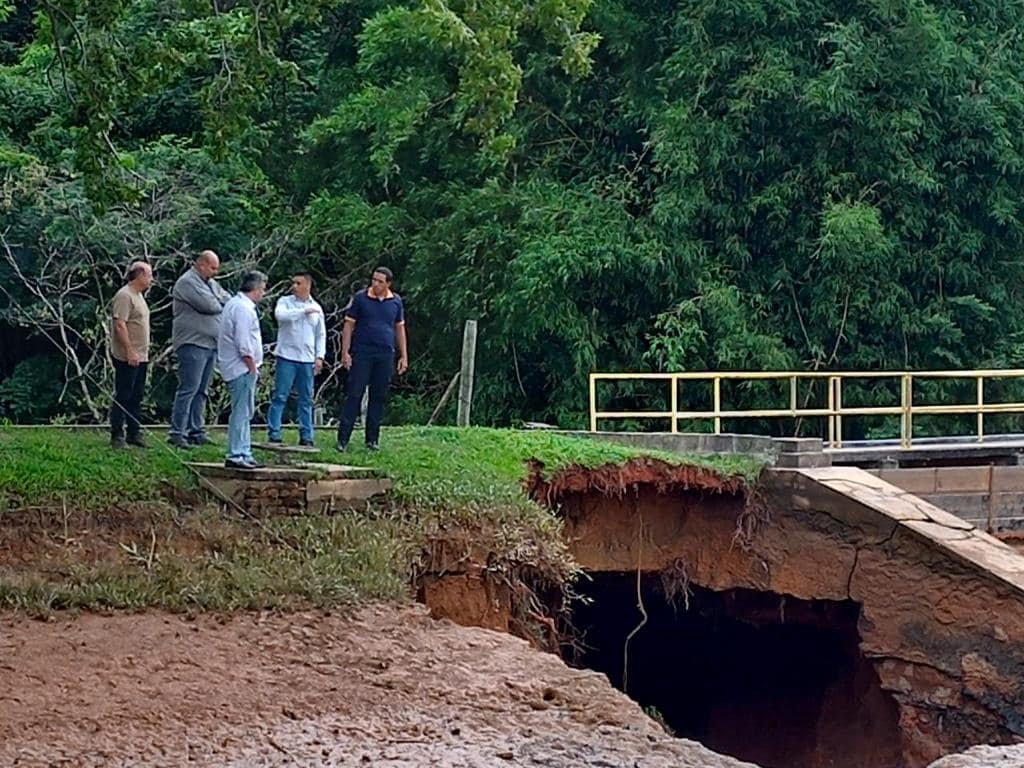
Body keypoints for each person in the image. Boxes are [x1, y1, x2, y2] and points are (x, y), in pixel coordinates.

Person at [336, 267, 408, 452]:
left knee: (379, 396)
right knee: (355, 393)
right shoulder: (361, 298)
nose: (375, 284)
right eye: (373, 280)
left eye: (380, 281)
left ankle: (372, 439)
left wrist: (403, 355)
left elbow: (399, 328)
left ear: (388, 284)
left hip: (385, 353)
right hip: (363, 352)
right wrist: (345, 352)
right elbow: (349, 325)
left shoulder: (396, 301)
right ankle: (343, 438)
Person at [168, 250, 230, 448]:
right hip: (192, 342)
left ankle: (197, 430)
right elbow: (209, 305)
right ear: (201, 264)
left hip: (210, 343)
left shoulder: (210, 283)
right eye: (212, 268)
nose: (215, 272)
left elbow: (227, 299)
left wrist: (218, 298)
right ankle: (178, 432)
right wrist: (218, 300)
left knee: (202, 390)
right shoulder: (188, 282)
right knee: (189, 388)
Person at [267, 273, 326, 447]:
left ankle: (306, 434)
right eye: (293, 282)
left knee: (306, 398)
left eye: (298, 283)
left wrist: (319, 356)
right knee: (280, 395)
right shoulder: (285, 302)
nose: (294, 286)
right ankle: (274, 431)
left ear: (307, 285)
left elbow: (320, 334)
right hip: (287, 356)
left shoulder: (317, 307)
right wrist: (302, 311)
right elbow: (280, 316)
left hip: (306, 359)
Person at [218, 271, 268, 470]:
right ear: (255, 288)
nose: (263, 293)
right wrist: (251, 365)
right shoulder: (243, 309)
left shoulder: (235, 304)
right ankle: (236, 452)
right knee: (241, 410)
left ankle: (244, 451)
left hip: (240, 366)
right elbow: (243, 341)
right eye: (263, 289)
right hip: (241, 367)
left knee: (246, 410)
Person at [109, 261, 154, 449]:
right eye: (150, 275)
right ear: (140, 275)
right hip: (128, 355)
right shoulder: (124, 296)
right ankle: (117, 434)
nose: (152, 279)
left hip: (141, 355)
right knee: (124, 393)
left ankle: (134, 432)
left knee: (137, 395)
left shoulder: (139, 296)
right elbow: (120, 325)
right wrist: (129, 350)